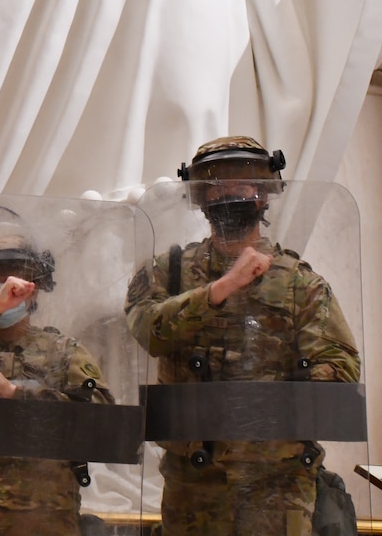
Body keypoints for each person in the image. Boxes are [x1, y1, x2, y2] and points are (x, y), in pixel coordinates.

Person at [124, 136, 361, 535]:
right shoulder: (169, 272)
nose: (229, 193)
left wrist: (267, 404)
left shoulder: (299, 284)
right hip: (192, 485)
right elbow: (149, 332)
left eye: (243, 184)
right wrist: (218, 290)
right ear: (200, 198)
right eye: (217, 184)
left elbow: (340, 371)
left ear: (265, 196)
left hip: (276, 485)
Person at [0, 210, 114, 536]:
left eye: (11, 280)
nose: (2, 291)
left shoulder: (63, 350)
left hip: (44, 518)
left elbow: (102, 420)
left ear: (35, 289)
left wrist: (19, 396)